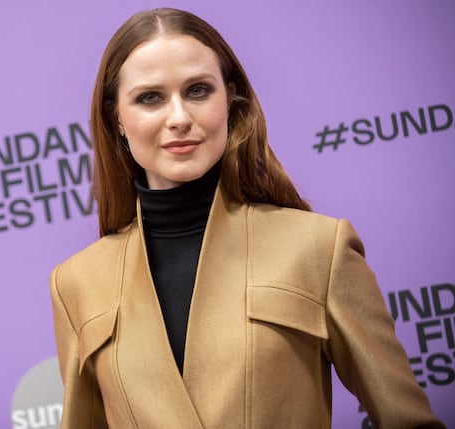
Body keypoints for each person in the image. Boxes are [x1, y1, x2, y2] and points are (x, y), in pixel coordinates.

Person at [50, 7, 445, 429]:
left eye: (198, 90)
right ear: (118, 121)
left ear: (230, 100)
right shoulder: (77, 283)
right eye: (150, 98)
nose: (180, 118)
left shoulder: (319, 249)